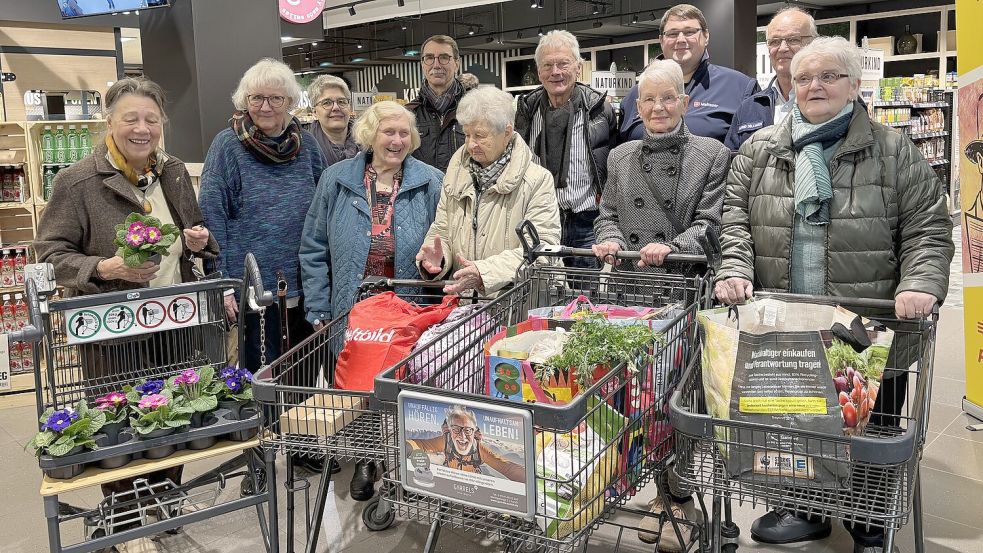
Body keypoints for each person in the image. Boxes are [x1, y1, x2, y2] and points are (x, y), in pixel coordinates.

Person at [713, 37, 954, 553]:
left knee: (873, 423)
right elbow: (733, 221)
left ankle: (870, 521)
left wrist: (918, 283)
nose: (814, 86)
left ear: (853, 85)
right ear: (790, 84)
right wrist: (733, 267)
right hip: (788, 323)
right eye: (804, 78)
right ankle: (808, 508)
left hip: (867, 324)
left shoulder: (893, 151)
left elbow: (928, 231)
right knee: (797, 420)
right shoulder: (761, 151)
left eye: (828, 76)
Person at [33, 77, 217, 553]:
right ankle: (124, 519)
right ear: (109, 122)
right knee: (119, 427)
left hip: (176, 318)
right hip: (112, 331)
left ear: (163, 125)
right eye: (130, 119)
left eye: (151, 120)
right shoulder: (76, 182)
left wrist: (199, 239)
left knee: (175, 416)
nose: (142, 129)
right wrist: (103, 267)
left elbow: (193, 232)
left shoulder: (173, 171)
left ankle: (163, 500)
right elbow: (49, 254)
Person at [591, 59, 728, 552]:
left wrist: (675, 247)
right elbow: (606, 215)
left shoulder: (711, 154)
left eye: (668, 98)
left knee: (678, 399)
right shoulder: (622, 156)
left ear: (685, 103)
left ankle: (676, 496)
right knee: (635, 398)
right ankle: (640, 486)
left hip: (682, 295)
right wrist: (607, 240)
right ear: (636, 106)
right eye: (647, 99)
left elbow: (714, 222)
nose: (657, 107)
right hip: (630, 297)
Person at [300, 101, 443, 501]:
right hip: (352, 304)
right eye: (388, 132)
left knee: (403, 386)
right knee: (355, 385)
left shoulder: (432, 181)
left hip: (406, 304)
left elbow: (445, 243)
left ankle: (409, 464)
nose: (396, 140)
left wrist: (437, 265)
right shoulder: (336, 179)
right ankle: (365, 459)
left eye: (403, 133)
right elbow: (312, 247)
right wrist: (317, 306)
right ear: (370, 135)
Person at [199, 58, 326, 374]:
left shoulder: (307, 145)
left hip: (305, 283)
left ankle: (300, 425)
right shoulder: (227, 145)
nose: (265, 106)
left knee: (304, 374)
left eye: (275, 99)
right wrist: (224, 284)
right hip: (253, 289)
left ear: (290, 102)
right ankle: (267, 427)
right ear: (245, 101)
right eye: (256, 98)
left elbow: (325, 212)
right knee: (261, 376)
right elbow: (212, 215)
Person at [416, 85, 560, 295]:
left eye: (480, 135)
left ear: (507, 132)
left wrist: (484, 272)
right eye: (466, 135)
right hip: (467, 311)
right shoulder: (455, 177)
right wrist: (438, 258)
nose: (471, 144)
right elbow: (442, 230)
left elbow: (542, 249)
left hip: (518, 304)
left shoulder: (537, 181)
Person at [515, 30, 617, 269]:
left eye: (563, 64)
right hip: (540, 221)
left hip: (587, 222)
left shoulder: (599, 109)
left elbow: (613, 164)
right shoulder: (526, 110)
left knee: (586, 298)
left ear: (578, 67)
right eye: (548, 65)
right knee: (541, 296)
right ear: (539, 71)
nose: (556, 72)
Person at [619, 3, 759, 143]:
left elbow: (752, 154)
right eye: (672, 34)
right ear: (661, 41)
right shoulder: (634, 96)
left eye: (689, 32)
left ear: (706, 36)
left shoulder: (740, 88)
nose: (680, 39)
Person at [724, 7, 817, 150]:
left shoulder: (833, 100)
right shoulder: (749, 108)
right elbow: (733, 164)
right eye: (775, 41)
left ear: (813, 43)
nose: (782, 48)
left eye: (793, 39)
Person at [405, 405, 526, 481]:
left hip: (473, 486)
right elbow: (421, 444)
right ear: (450, 431)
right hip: (450, 480)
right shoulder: (446, 441)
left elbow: (507, 468)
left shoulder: (479, 450)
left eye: (467, 430)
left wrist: (531, 480)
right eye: (456, 429)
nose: (462, 436)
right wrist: (407, 448)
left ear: (474, 432)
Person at [405, 35, 466, 173]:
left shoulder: (476, 110)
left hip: (466, 194)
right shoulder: (407, 115)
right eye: (429, 58)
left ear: (457, 63)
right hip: (423, 194)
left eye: (444, 57)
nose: (436, 65)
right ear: (422, 64)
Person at [305, 75, 359, 166]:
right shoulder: (305, 150)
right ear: (314, 112)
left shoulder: (369, 143)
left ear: (349, 107)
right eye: (327, 103)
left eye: (341, 101)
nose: (336, 108)